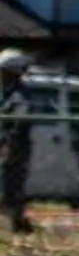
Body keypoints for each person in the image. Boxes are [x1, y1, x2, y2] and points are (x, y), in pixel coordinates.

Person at [0, 49, 31, 232]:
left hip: (14, 147)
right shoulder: (6, 92)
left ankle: (15, 223)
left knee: (10, 184)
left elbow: (19, 124)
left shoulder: (20, 95)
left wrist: (8, 144)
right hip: (5, 145)